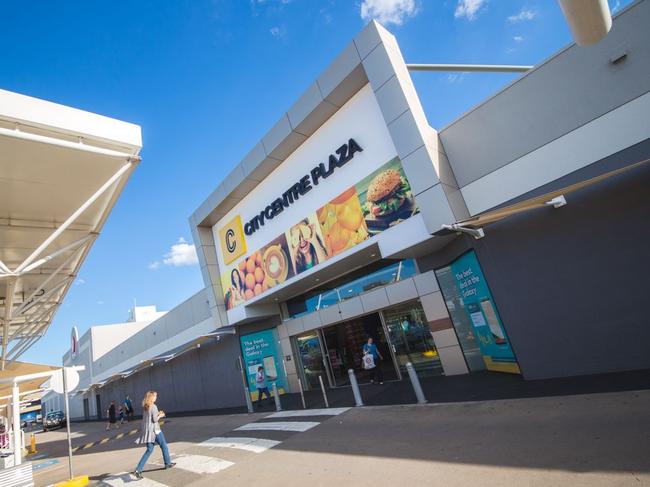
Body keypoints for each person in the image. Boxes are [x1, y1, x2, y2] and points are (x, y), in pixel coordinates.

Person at [133, 391, 175, 480]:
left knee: (149, 450)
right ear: (152, 397)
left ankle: (138, 470)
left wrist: (157, 413)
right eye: (155, 396)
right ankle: (167, 463)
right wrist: (161, 415)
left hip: (147, 432)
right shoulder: (154, 406)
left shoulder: (146, 406)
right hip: (155, 431)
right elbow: (155, 419)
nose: (156, 397)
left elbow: (149, 418)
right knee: (164, 446)